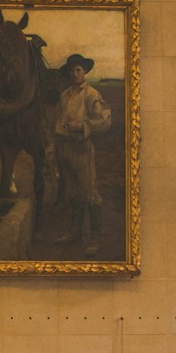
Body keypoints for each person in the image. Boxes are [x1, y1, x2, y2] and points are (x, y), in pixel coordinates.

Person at [51, 53, 112, 254]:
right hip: (64, 148)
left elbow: (105, 120)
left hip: (81, 148)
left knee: (89, 193)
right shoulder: (65, 94)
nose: (75, 73)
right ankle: (75, 232)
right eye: (72, 70)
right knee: (72, 192)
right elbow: (58, 121)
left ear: (85, 71)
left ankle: (96, 237)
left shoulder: (91, 94)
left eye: (78, 70)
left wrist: (82, 126)